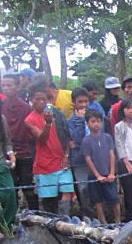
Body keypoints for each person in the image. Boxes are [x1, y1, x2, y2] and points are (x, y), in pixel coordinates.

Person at [24, 80, 74, 215]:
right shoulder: (29, 119)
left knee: (67, 191)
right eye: (37, 99)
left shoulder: (57, 113)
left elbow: (66, 136)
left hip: (62, 161)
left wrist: (67, 155)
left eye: (43, 99)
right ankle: (53, 224)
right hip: (45, 164)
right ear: (31, 100)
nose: (41, 102)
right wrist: (47, 124)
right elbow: (41, 139)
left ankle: (65, 220)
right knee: (49, 198)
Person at [1, 73, 38, 210]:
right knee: (11, 188)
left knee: (27, 186)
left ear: (17, 86)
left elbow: (29, 132)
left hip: (25, 152)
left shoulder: (25, 107)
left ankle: (36, 214)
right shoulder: (2, 106)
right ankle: (13, 216)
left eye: (9, 85)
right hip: (7, 153)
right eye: (3, 85)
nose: (6, 88)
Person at [81, 110, 120, 223]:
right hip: (94, 176)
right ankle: (103, 223)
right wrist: (97, 175)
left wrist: (112, 172)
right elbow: (88, 159)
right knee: (98, 201)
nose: (96, 124)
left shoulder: (107, 137)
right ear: (87, 123)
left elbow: (112, 154)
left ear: (102, 122)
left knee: (114, 199)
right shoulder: (86, 141)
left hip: (109, 174)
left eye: (98, 121)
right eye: (93, 121)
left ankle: (118, 221)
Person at [67, 87, 95, 215]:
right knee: (83, 188)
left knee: (95, 187)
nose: (84, 105)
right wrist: (80, 120)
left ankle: (99, 215)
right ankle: (87, 214)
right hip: (79, 160)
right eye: (80, 102)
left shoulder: (94, 117)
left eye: (86, 101)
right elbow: (76, 139)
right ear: (74, 102)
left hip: (95, 158)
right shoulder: (71, 121)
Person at [0, 98, 17, 230]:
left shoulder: (1, 119)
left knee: (10, 192)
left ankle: (7, 226)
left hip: (1, 162)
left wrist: (11, 156)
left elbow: (7, 141)